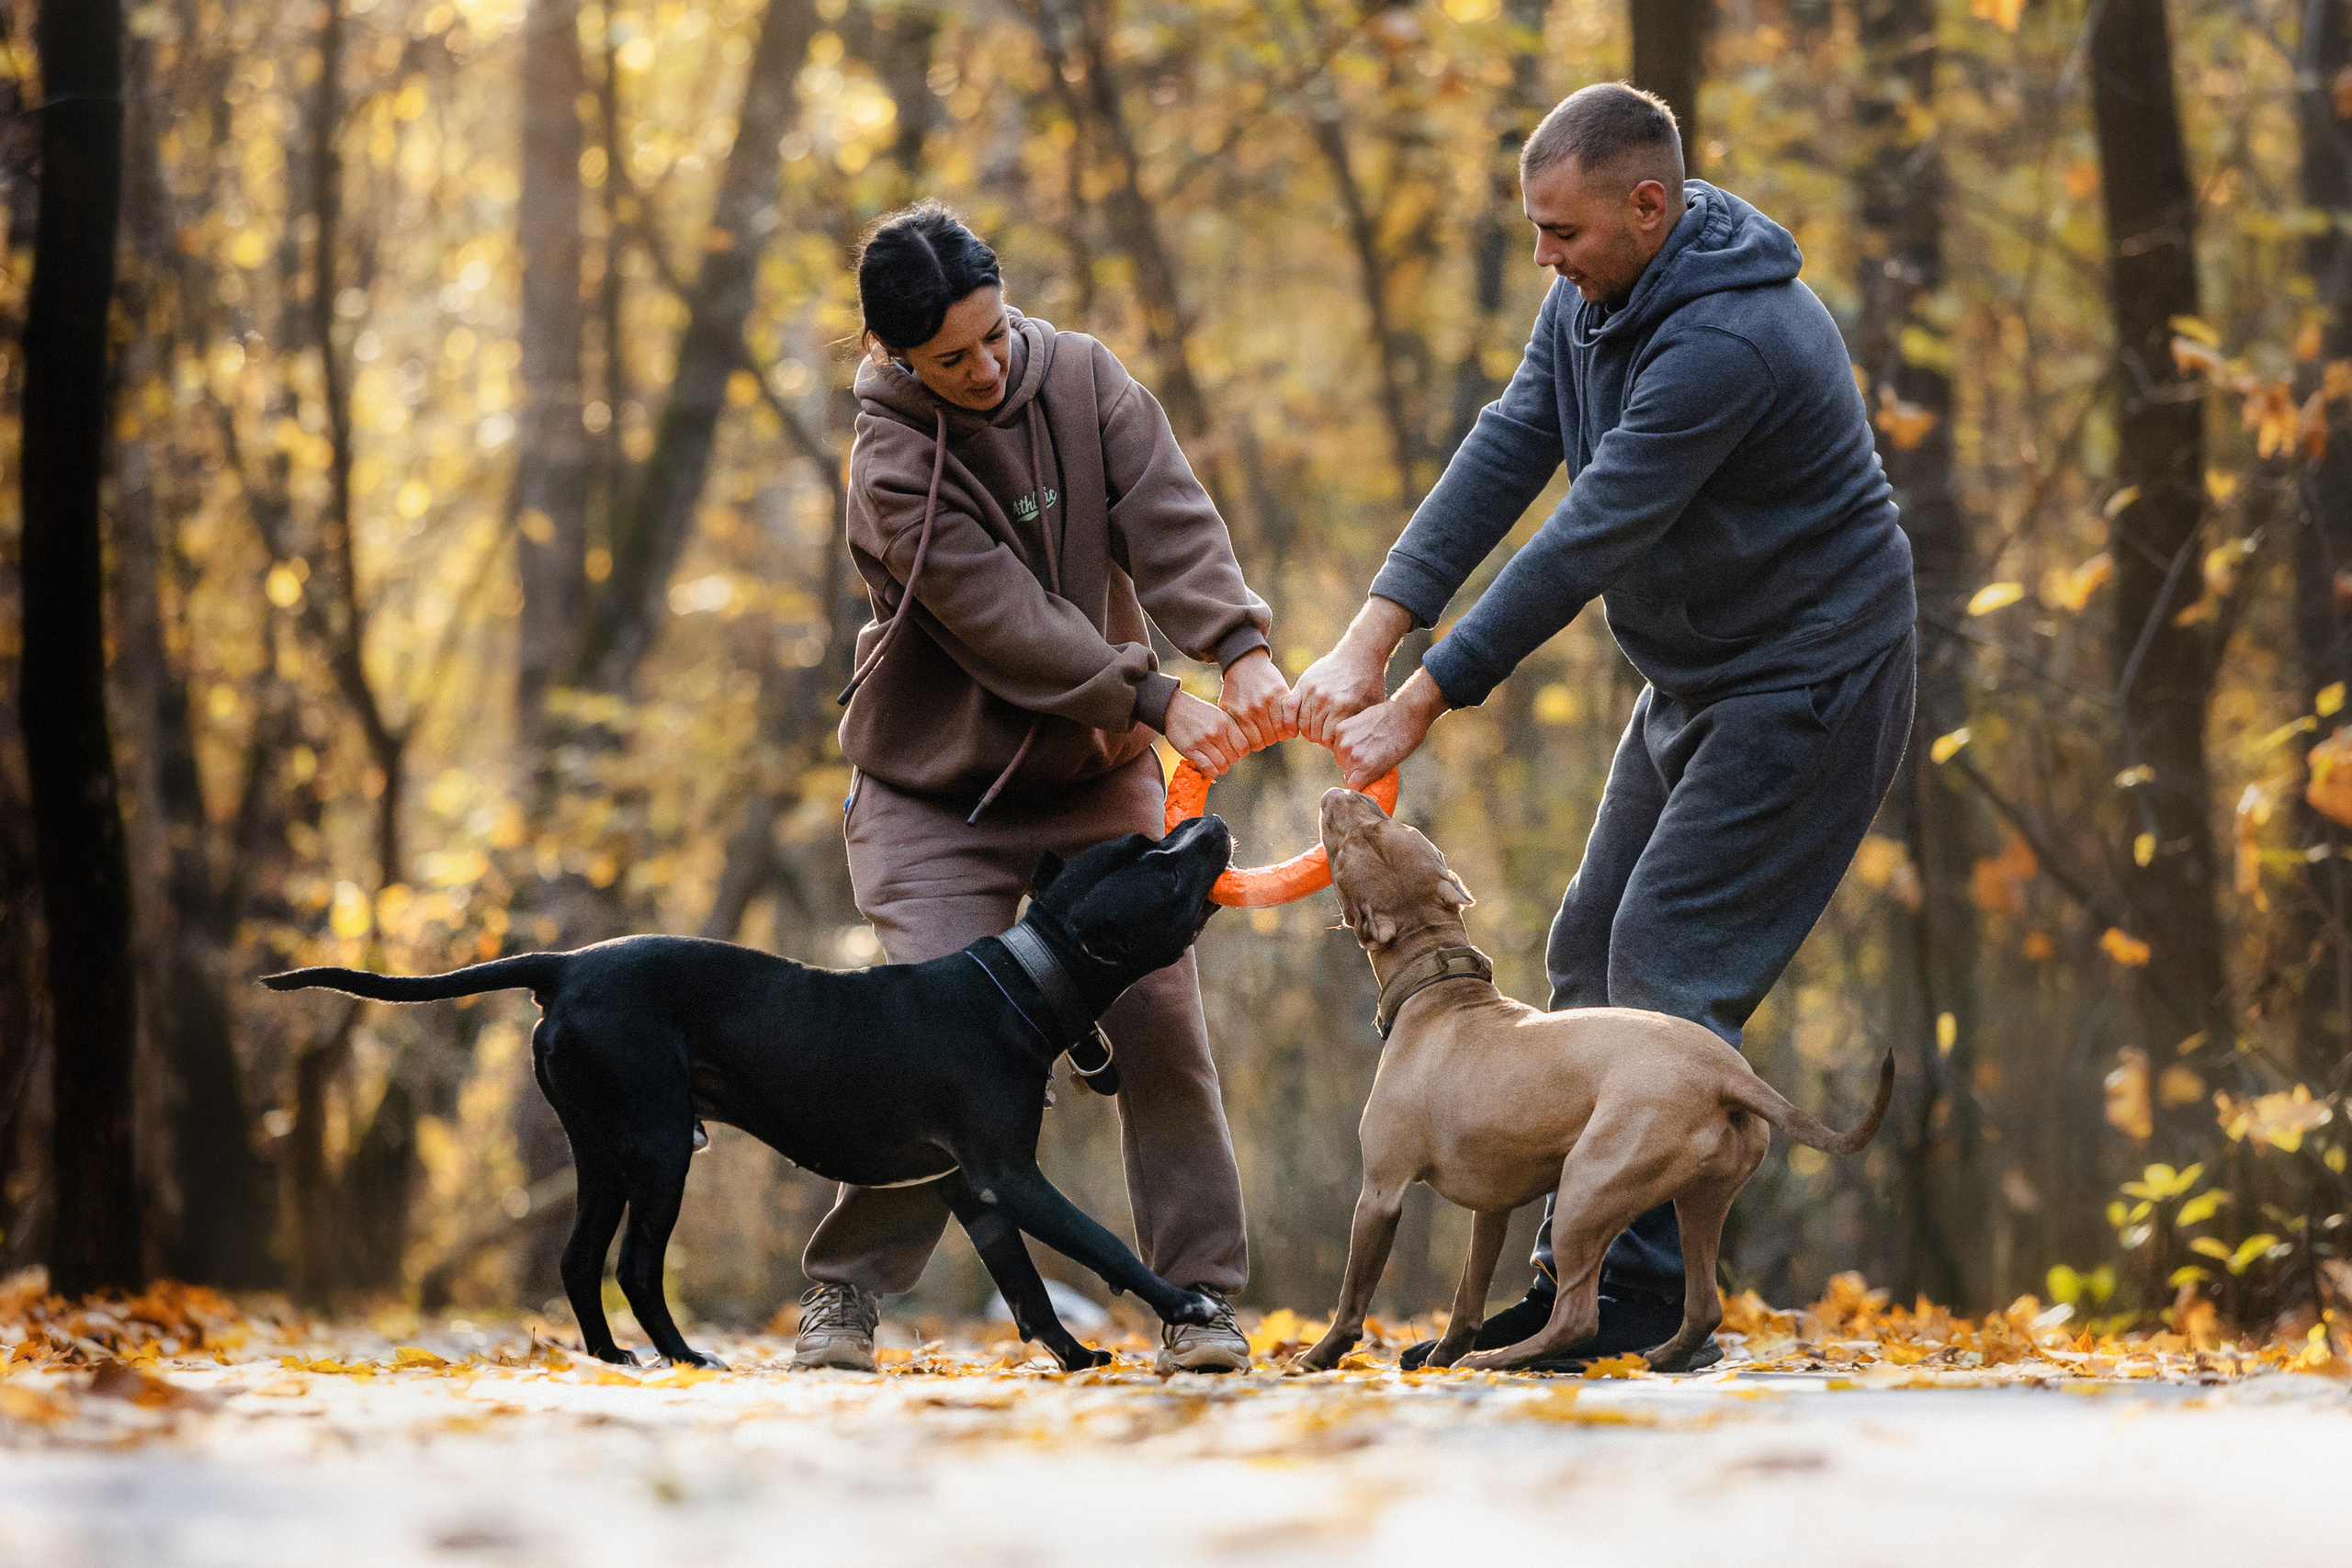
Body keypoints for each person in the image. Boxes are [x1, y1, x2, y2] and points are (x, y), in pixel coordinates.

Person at [1292, 84, 1917, 1371]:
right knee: (1586, 937)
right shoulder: (1594, 292)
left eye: (1561, 230)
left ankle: (1632, 1303)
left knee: (1665, 948)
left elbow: (1588, 535)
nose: (1542, 256)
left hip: (1810, 675)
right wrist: (1371, 631)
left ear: (1650, 206)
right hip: (1691, 670)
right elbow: (1510, 443)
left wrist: (1423, 695)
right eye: (1534, 230)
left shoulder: (1732, 342)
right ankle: (1572, 1279)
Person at [796, 202, 1286, 1374]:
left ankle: (1200, 1300)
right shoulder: (892, 465)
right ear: (893, 356)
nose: (985, 368)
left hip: (1094, 778)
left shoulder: (1082, 378)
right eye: (948, 358)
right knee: (928, 1044)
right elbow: (1003, 628)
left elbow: (1167, 514)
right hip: (937, 791)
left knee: (1160, 1017)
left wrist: (1241, 647)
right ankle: (845, 1296)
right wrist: (1162, 699)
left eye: (994, 334)